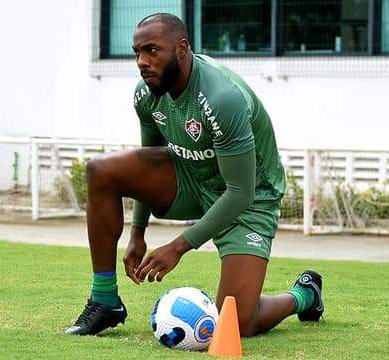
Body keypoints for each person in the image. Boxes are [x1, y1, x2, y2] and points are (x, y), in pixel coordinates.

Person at [65, 12, 324, 337]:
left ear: (182, 49)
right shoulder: (147, 93)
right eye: (137, 52)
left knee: (237, 323)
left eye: (152, 50)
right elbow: (149, 160)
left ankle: (304, 295)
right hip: (190, 177)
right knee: (102, 170)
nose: (142, 62)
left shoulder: (222, 98)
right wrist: (137, 232)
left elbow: (240, 192)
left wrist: (178, 246)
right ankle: (104, 300)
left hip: (249, 198)